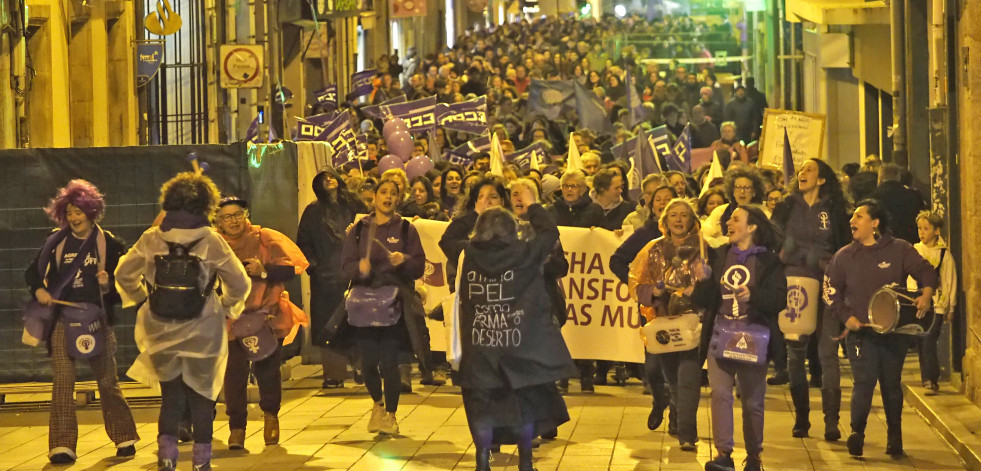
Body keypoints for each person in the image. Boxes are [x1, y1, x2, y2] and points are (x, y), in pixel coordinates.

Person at [115, 172, 251, 471]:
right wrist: (226, 308)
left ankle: (167, 460)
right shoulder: (211, 240)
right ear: (206, 204)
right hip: (204, 330)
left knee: (171, 396)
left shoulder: (152, 238)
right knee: (203, 398)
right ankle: (201, 464)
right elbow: (240, 283)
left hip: (161, 328)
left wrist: (142, 298)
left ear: (169, 202)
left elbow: (124, 274)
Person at [25, 180, 139, 464]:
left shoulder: (109, 244)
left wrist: (107, 283)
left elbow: (123, 285)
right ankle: (62, 445)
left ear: (92, 212)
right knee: (63, 381)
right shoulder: (55, 241)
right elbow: (32, 274)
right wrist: (40, 290)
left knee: (107, 381)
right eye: (71, 212)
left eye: (80, 212)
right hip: (62, 321)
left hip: (97, 320)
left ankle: (124, 437)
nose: (75, 218)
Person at [456, 206, 576, 471]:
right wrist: (532, 205)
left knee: (480, 408)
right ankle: (525, 462)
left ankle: (481, 462)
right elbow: (549, 232)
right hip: (519, 344)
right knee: (522, 407)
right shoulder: (526, 253)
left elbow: (446, 238)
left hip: (479, 345)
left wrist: (474, 206)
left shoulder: (468, 254)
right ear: (512, 230)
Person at [824, 199, 939, 457]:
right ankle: (857, 433)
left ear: (874, 223)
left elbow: (927, 272)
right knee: (863, 382)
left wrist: (926, 295)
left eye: (859, 216)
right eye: (852, 217)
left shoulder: (899, 248)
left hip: (893, 333)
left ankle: (894, 437)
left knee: (891, 384)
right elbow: (830, 293)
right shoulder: (844, 256)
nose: (852, 221)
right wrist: (846, 317)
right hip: (861, 334)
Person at [698, 205, 786, 471]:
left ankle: (754, 457)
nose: (729, 223)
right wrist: (703, 281)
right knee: (720, 394)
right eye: (729, 219)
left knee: (752, 401)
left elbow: (779, 299)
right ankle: (724, 454)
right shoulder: (719, 255)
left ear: (752, 227)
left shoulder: (769, 261)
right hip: (720, 334)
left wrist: (753, 297)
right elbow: (704, 301)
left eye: (736, 219)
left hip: (754, 337)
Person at [216, 197, 309, 449]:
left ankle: (271, 417)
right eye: (227, 216)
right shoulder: (213, 243)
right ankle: (237, 428)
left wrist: (263, 270)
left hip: (266, 316)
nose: (233, 220)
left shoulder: (265, 237)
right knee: (233, 373)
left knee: (268, 371)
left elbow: (292, 270)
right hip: (229, 319)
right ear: (218, 221)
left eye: (237, 214)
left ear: (246, 214)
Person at [770, 158, 852, 441]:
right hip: (795, 286)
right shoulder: (786, 206)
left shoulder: (835, 210)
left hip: (827, 286)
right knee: (795, 354)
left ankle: (831, 422)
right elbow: (771, 241)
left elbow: (845, 248)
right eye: (801, 169)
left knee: (828, 353)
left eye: (810, 170)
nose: (802, 173)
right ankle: (802, 419)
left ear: (822, 179)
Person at [340, 179, 426, 436]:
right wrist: (359, 269)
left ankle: (390, 414)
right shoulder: (358, 230)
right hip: (364, 306)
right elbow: (345, 266)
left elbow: (420, 265)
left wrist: (404, 260)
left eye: (393, 193)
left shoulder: (406, 229)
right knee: (367, 363)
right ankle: (376, 404)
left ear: (398, 199)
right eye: (383, 192)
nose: (388, 197)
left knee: (390, 362)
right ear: (374, 197)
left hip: (394, 305)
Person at [628, 198, 706, 450]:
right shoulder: (653, 249)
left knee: (688, 379)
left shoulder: (704, 248)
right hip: (662, 323)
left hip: (694, 323)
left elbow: (714, 285)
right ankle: (671, 408)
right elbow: (637, 285)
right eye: (674, 215)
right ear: (665, 221)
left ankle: (687, 434)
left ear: (692, 220)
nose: (679, 220)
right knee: (669, 378)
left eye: (684, 215)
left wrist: (698, 289)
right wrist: (656, 291)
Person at [610, 185, 679, 433]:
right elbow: (616, 260)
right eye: (658, 199)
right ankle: (659, 400)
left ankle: (677, 415)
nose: (662, 202)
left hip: (684, 310)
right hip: (654, 310)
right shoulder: (645, 233)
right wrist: (640, 288)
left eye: (668, 199)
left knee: (678, 366)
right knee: (653, 367)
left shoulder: (692, 234)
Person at [297, 169, 367, 389]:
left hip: (354, 272)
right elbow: (304, 242)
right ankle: (334, 374)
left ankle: (362, 367)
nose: (330, 179)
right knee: (329, 325)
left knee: (359, 320)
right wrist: (315, 268)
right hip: (326, 278)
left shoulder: (354, 205)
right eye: (323, 178)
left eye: (332, 176)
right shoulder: (312, 212)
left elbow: (370, 230)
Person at [909, 211, 957, 395]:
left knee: (929, 339)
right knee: (921, 342)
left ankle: (931, 379)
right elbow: (910, 278)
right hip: (918, 304)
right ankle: (926, 377)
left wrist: (950, 307)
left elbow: (949, 281)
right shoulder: (914, 251)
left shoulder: (944, 255)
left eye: (926, 228)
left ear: (937, 231)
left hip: (937, 305)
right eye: (920, 228)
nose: (921, 232)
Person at [702, 166, 766, 248]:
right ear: (732, 191)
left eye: (746, 188)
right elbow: (703, 236)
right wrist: (724, 240)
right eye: (738, 187)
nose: (742, 191)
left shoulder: (763, 213)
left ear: (754, 192)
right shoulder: (720, 212)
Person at [870, 163, 926, 244]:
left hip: (882, 244)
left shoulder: (872, 198)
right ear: (899, 177)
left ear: (880, 178)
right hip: (910, 243)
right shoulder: (914, 196)